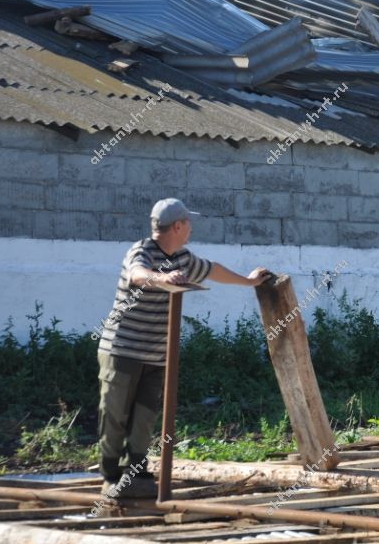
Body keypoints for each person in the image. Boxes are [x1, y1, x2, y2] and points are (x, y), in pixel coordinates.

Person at [95, 198, 271, 499]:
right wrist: (162, 278)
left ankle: (136, 471)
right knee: (114, 414)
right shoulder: (141, 251)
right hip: (122, 350)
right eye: (188, 223)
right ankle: (111, 476)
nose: (191, 228)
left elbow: (212, 269)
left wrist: (248, 282)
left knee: (145, 416)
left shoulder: (183, 258)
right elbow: (138, 274)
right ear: (177, 226)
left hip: (157, 354)